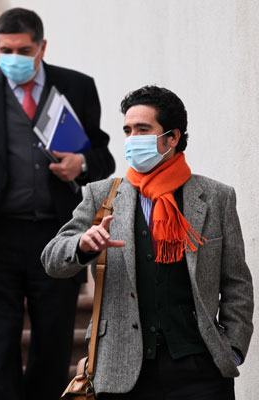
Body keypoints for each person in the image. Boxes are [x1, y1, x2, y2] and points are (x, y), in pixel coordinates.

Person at [0, 7, 115, 399]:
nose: (14, 58)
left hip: (57, 234)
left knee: (53, 341)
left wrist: (81, 163)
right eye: (6, 50)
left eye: (24, 50)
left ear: (42, 47)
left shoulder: (77, 86)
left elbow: (103, 158)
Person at [41, 85, 254, 399]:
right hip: (120, 369)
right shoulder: (103, 195)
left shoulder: (216, 197)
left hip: (199, 368)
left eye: (143, 129)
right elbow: (51, 260)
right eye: (127, 130)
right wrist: (83, 245)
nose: (132, 139)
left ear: (172, 137)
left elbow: (237, 281)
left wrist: (232, 349)